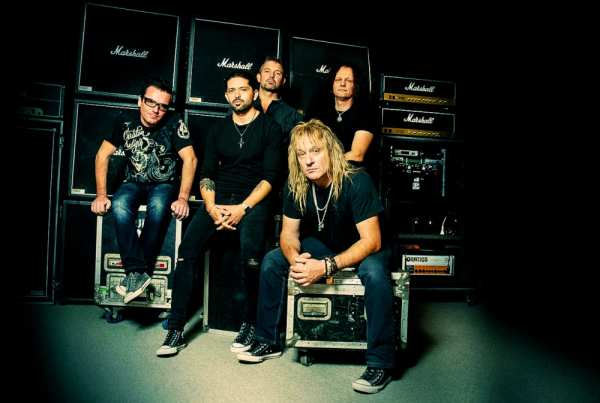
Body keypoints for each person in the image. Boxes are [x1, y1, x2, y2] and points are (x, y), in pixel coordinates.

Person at [237, 119, 396, 394]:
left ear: (331, 150)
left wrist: (326, 267)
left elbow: (372, 240)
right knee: (273, 260)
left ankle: (381, 362)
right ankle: (267, 340)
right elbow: (288, 234)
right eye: (301, 154)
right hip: (327, 244)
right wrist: (296, 261)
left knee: (374, 274)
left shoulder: (356, 181)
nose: (309, 160)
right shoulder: (296, 184)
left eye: (316, 151)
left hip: (367, 245)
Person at [156, 69, 283, 357]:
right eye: (232, 90)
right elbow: (207, 174)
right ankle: (175, 330)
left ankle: (250, 322)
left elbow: (270, 178)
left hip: (255, 200)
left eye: (243, 89)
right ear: (226, 96)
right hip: (219, 199)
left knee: (252, 254)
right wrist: (212, 208)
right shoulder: (218, 130)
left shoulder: (271, 128)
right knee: (186, 252)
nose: (237, 95)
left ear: (254, 93)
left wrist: (243, 208)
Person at [91, 77, 197, 304]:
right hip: (133, 182)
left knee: (158, 206)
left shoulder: (174, 121)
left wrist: (183, 198)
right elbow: (102, 155)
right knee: (119, 204)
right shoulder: (124, 121)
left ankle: (135, 274)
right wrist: (101, 195)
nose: (156, 110)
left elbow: (191, 159)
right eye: (151, 102)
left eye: (163, 106)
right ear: (140, 100)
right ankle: (137, 273)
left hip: (165, 183)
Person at [304, 62, 375, 171]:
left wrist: (325, 165)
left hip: (351, 173)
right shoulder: (319, 112)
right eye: (338, 79)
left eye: (348, 80)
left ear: (356, 86)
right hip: (320, 173)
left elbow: (357, 154)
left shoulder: (366, 113)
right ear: (332, 84)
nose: (342, 84)